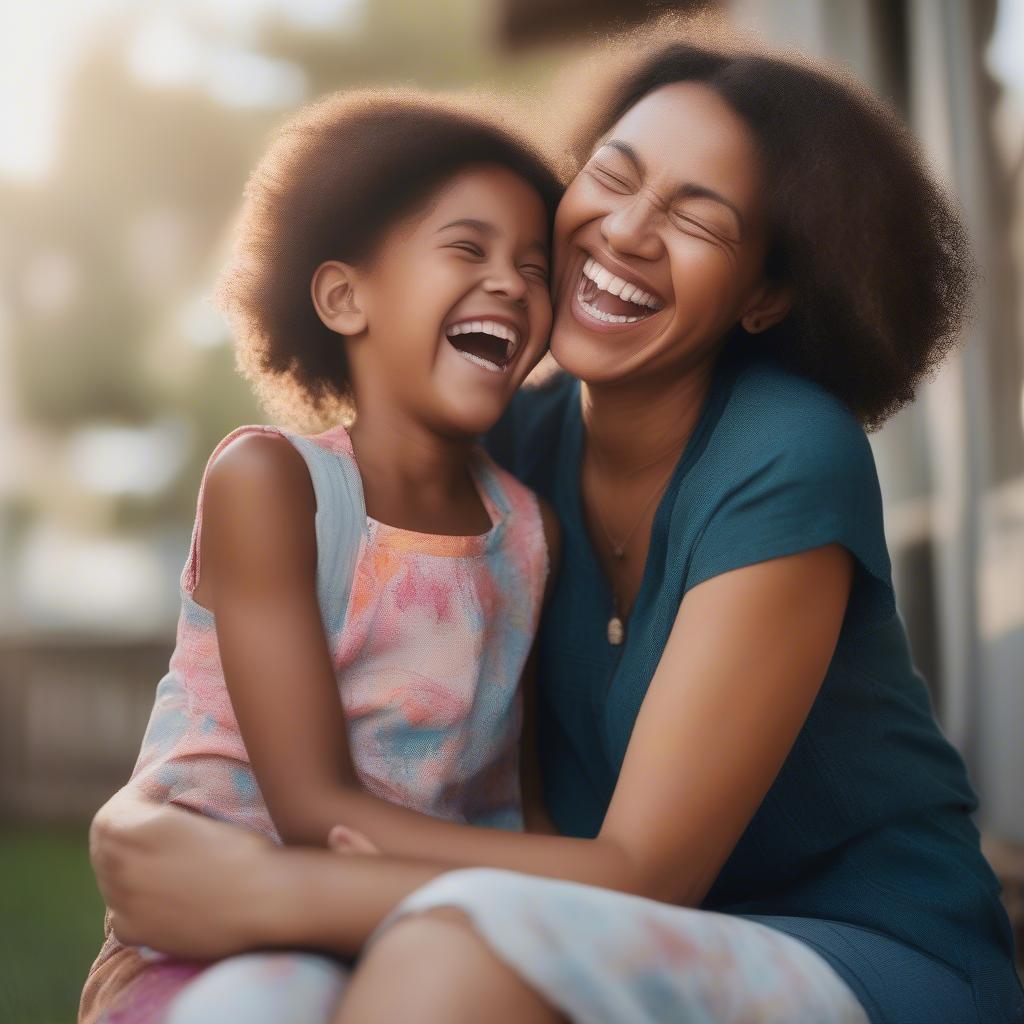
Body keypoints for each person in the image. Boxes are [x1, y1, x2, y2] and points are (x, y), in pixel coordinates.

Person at [89, 38, 1024, 1024]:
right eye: (612, 177)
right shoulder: (508, 458)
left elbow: (644, 873)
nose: (625, 230)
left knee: (450, 959)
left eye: (698, 218)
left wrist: (269, 889)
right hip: (588, 921)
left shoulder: (786, 451)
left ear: (765, 294)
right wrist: (139, 825)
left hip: (865, 952)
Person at [78, 88, 566, 1023]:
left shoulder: (531, 532)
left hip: (416, 930)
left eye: (533, 267)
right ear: (346, 297)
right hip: (212, 935)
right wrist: (605, 877)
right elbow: (313, 810)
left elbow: (514, 792)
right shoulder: (272, 484)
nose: (510, 282)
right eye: (467, 249)